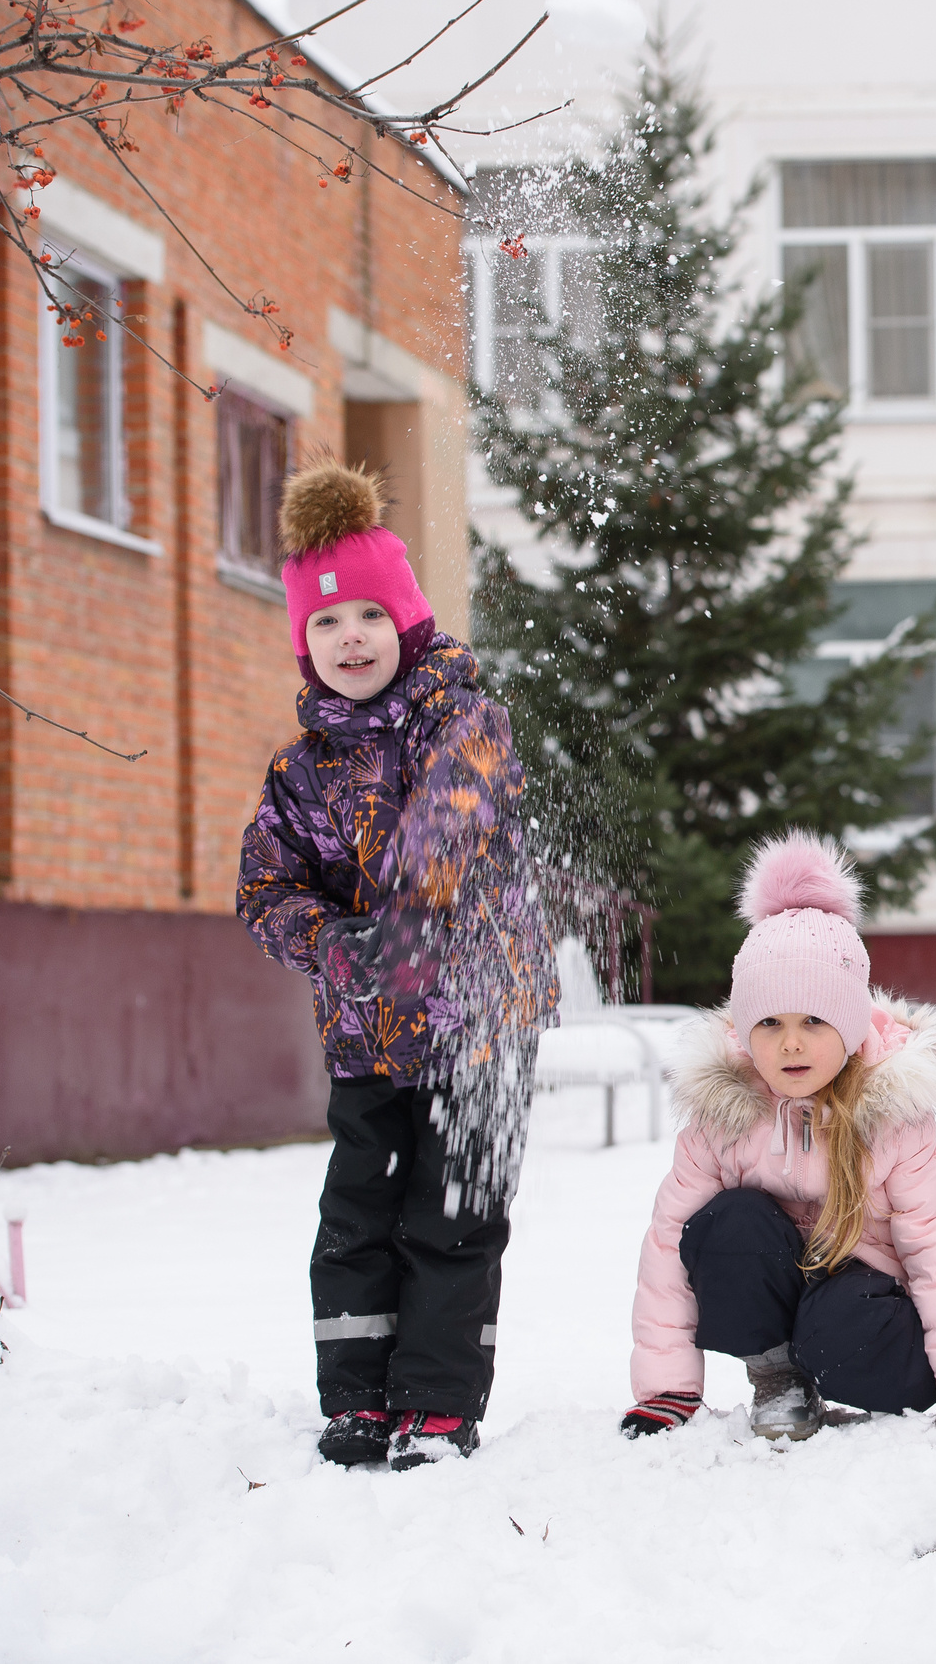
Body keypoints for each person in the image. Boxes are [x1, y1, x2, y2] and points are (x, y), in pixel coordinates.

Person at [238, 460, 556, 1471]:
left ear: (407, 620)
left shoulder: (467, 721)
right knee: (357, 1220)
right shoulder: (298, 772)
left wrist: (411, 926)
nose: (349, 639)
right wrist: (335, 945)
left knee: (451, 1222)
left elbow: (446, 831)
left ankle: (434, 1406)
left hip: (479, 1029)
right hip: (365, 1034)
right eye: (325, 626)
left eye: (369, 615)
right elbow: (265, 891)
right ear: (304, 643)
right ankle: (358, 1403)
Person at [621, 832, 936, 1450]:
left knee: (838, 1326)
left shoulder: (892, 1114)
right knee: (724, 1225)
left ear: (853, 1023)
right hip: (776, 1294)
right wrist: (666, 1387)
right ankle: (778, 1376)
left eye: (814, 1021)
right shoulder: (725, 1113)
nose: (791, 1044)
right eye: (770, 1024)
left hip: (863, 1301)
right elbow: (669, 1245)